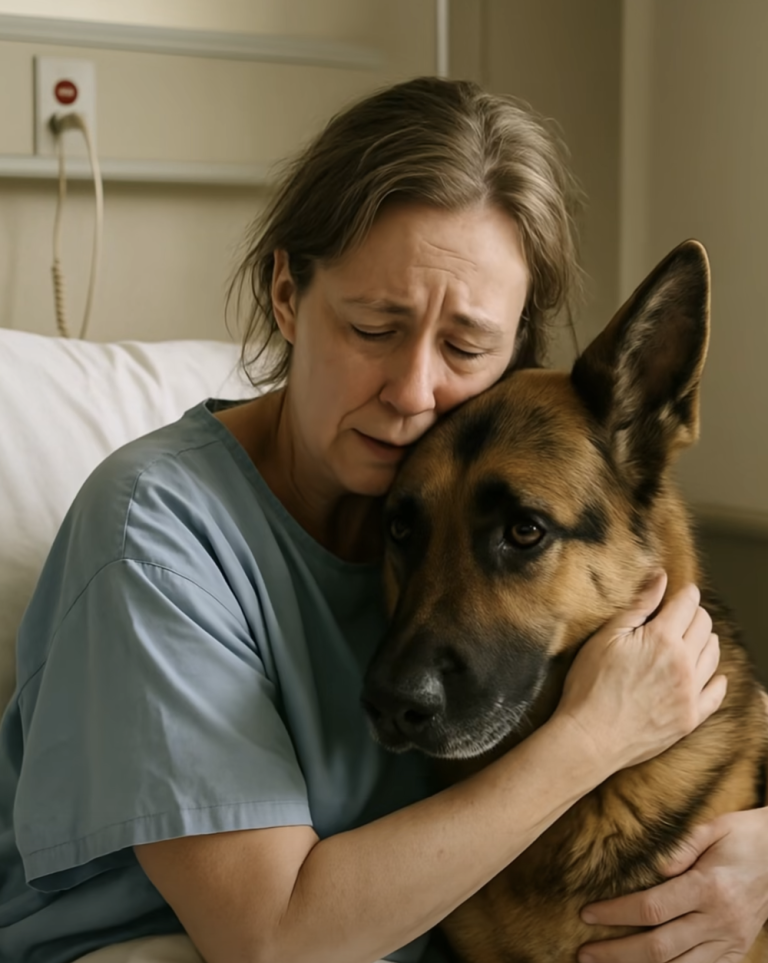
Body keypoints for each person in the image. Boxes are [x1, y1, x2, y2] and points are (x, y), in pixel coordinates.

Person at [0, 76, 764, 963]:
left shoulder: (474, 500)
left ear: (520, 348)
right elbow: (271, 942)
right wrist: (592, 740)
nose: (413, 392)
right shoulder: (158, 536)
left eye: (467, 347)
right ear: (288, 294)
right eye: (373, 327)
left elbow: (699, 696)